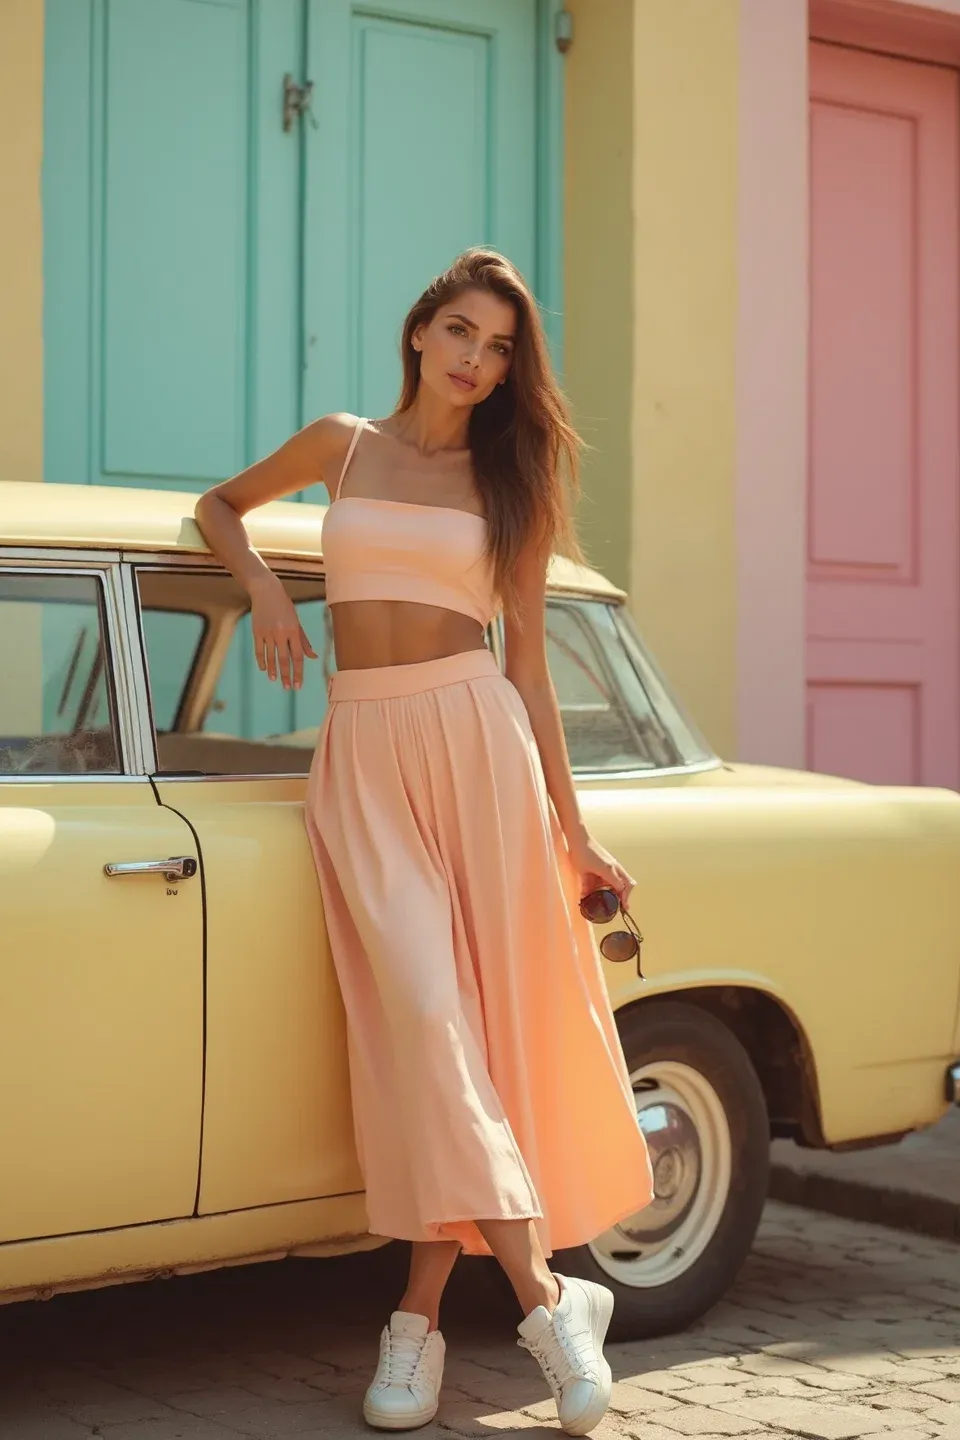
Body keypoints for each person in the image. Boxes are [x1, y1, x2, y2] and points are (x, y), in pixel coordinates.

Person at [194, 248, 654, 1436]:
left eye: (499, 347)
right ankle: (552, 1302)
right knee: (422, 1017)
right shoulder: (341, 444)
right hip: (363, 751)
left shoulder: (513, 480)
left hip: (478, 745)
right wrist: (269, 588)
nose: (474, 358)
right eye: (459, 331)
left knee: (472, 1036)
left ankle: (417, 1322)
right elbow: (217, 506)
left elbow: (531, 667)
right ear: (417, 332)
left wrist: (578, 830)